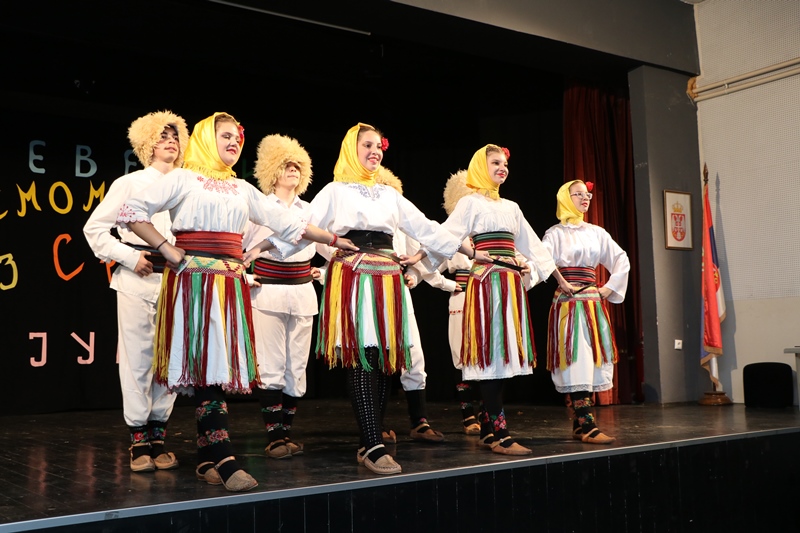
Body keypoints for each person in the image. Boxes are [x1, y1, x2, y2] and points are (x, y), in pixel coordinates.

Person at [117, 112, 356, 492]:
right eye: (225, 136)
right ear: (206, 140)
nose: (233, 142)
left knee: (216, 367)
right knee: (206, 367)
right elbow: (130, 212)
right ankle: (225, 456)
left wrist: (333, 239)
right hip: (195, 283)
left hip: (228, 285)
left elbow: (288, 224)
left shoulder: (242, 188)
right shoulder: (183, 178)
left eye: (237, 137)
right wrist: (166, 247)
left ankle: (206, 458)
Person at [252, 123, 480, 475]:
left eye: (378, 146)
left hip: (387, 279)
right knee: (364, 357)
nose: (375, 151)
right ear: (351, 149)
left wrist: (470, 250)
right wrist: (258, 248)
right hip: (356, 278)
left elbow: (426, 227)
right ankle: (373, 444)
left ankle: (368, 442)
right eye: (367, 145)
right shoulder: (335, 191)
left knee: (384, 358)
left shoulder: (389, 195)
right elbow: (300, 226)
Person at [437, 144, 571, 456]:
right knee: (489, 354)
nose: (502, 168)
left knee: (503, 353)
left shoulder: (511, 207)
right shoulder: (470, 203)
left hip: (509, 286)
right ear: (480, 168)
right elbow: (445, 236)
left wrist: (544, 275)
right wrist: (418, 264)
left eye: (505, 164)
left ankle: (489, 429)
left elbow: (534, 247)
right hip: (485, 285)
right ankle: (500, 433)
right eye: (495, 163)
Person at [83, 110, 188, 473]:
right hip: (137, 279)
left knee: (172, 357)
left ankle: (159, 437)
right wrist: (128, 257)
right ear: (147, 144)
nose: (170, 142)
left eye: (175, 136)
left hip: (177, 280)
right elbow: (95, 229)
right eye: (162, 137)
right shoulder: (130, 183)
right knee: (138, 359)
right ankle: (138, 439)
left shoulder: (188, 184)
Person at [242, 134, 320, 459]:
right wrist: (245, 276)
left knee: (296, 367)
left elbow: (332, 249)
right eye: (287, 165)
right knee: (271, 363)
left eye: (297, 166)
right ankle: (274, 437)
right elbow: (238, 247)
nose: (293, 170)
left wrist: (323, 272)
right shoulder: (258, 208)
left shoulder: (311, 210)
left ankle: (286, 432)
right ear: (272, 170)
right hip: (268, 291)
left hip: (302, 293)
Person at [542, 180, 629, 444]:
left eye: (587, 194)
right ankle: (587, 424)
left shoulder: (596, 232)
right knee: (576, 356)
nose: (585, 198)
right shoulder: (555, 234)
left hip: (592, 302)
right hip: (569, 304)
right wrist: (560, 280)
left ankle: (580, 424)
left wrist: (609, 288)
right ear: (565, 198)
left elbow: (621, 259)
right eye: (578, 194)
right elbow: (542, 260)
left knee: (592, 359)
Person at [373, 166, 445, 444]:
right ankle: (375, 424)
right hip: (370, 291)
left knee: (413, 353)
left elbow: (419, 255)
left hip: (399, 292)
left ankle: (419, 421)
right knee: (377, 355)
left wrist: (413, 275)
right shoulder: (365, 225)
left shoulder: (402, 225)